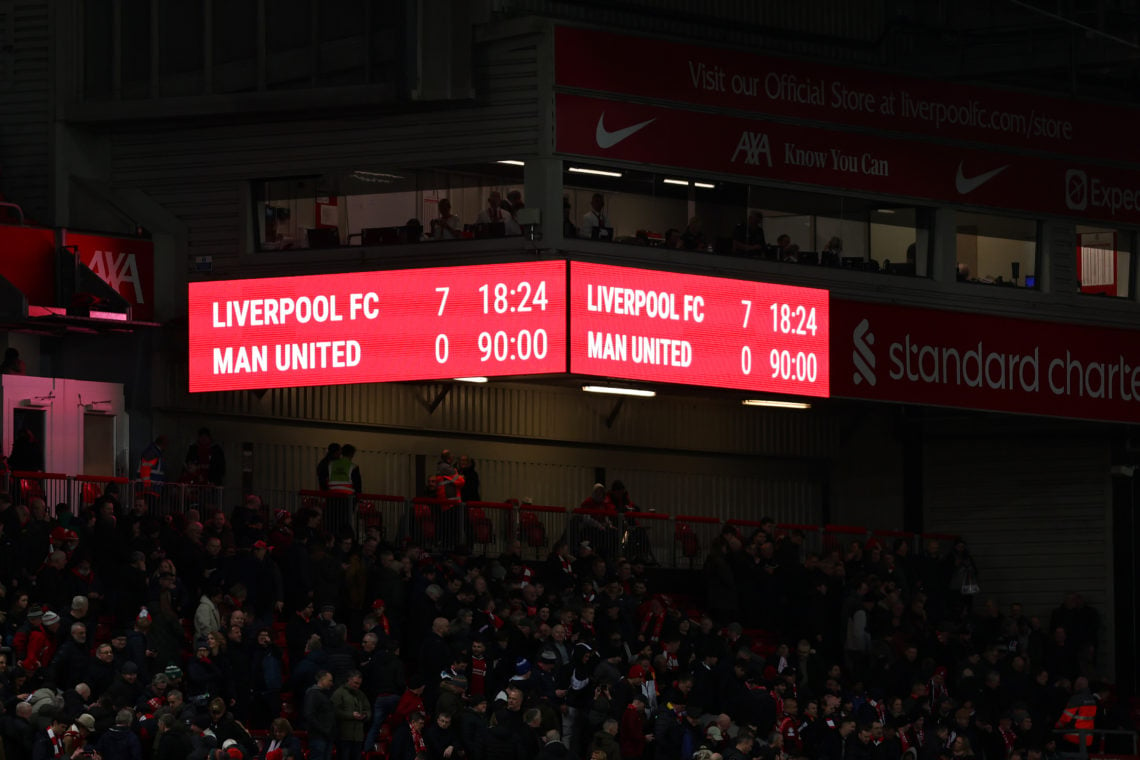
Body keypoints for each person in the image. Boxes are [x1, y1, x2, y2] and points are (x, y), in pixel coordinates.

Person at [332, 670, 370, 760]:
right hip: (344, 735)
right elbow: (334, 711)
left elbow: (368, 710)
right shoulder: (339, 693)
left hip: (358, 736)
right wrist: (351, 715)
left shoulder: (361, 694)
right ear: (349, 679)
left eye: (359, 684)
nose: (357, 686)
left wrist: (365, 715)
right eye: (355, 683)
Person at [303, 670, 337, 760]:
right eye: (330, 680)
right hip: (318, 737)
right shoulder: (313, 694)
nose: (331, 683)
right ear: (322, 680)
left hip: (325, 736)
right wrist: (324, 730)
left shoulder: (323, 694)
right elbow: (309, 715)